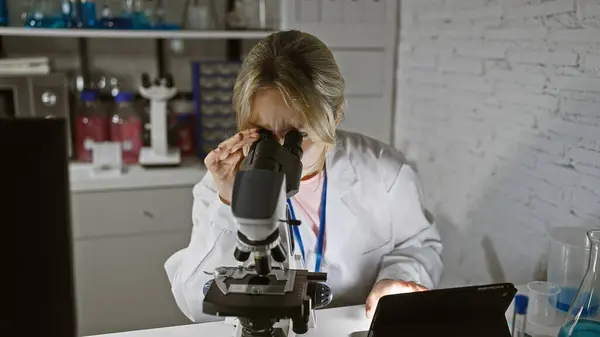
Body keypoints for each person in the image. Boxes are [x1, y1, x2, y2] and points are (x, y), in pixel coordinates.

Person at [164, 30, 443, 323]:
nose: (282, 151)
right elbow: (196, 303)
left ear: (334, 116)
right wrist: (228, 202)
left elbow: (420, 246)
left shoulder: (384, 172)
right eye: (263, 135)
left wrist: (396, 280)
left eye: (297, 136)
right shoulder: (222, 182)